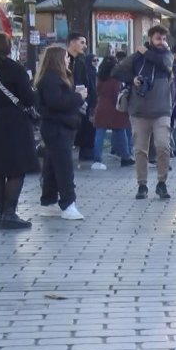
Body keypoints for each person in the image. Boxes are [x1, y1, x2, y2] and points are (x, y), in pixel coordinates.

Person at [0, 32, 41, 229]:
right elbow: (28, 99)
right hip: (15, 122)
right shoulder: (17, 69)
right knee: (16, 168)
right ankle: (10, 213)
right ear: (8, 48)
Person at [113, 25, 175, 200]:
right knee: (140, 150)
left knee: (163, 146)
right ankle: (142, 185)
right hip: (139, 111)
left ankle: (162, 183)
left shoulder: (167, 55)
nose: (161, 42)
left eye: (164, 39)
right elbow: (116, 72)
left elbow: (165, 64)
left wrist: (146, 52)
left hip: (162, 111)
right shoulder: (137, 58)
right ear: (150, 39)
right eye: (158, 39)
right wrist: (132, 79)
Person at [35, 45, 86, 221]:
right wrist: (79, 97)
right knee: (64, 166)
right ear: (57, 59)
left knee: (52, 165)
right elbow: (57, 102)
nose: (68, 60)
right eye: (65, 57)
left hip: (58, 126)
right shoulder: (52, 78)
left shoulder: (54, 77)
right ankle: (68, 203)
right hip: (57, 127)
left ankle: (48, 201)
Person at [92, 52, 134, 169]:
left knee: (99, 134)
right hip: (115, 109)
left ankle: (97, 159)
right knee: (121, 131)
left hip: (101, 107)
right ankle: (125, 157)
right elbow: (116, 95)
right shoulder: (116, 79)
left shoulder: (100, 77)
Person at [66, 32, 96, 161]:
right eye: (82, 42)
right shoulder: (64, 60)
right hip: (67, 103)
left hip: (80, 102)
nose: (85, 46)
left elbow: (85, 82)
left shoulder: (81, 61)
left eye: (85, 43)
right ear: (72, 43)